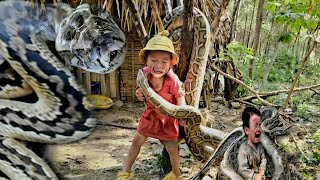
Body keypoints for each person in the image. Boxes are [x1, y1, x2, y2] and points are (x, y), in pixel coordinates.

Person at [117, 30, 186, 180]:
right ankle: (125, 171)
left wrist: (182, 115)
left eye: (164, 61)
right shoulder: (144, 74)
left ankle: (175, 173)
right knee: (136, 142)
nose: (158, 65)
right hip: (150, 116)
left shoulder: (172, 80)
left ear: (170, 63)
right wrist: (138, 93)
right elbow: (140, 88)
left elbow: (180, 97)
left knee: (172, 149)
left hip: (168, 120)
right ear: (146, 60)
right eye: (153, 60)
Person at [237, 107, 267, 180]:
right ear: (247, 130)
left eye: (260, 125)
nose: (259, 129)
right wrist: (254, 177)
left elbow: (263, 159)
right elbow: (242, 169)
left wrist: (262, 170)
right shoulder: (243, 149)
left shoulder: (260, 146)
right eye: (255, 126)